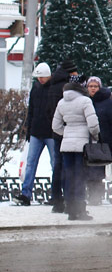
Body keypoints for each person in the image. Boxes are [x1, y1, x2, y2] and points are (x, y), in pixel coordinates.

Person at [51, 80, 100, 221]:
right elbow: (93, 124)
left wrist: (67, 133)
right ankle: (80, 209)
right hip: (82, 145)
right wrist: (95, 136)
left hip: (66, 145)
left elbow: (55, 126)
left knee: (69, 176)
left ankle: (70, 209)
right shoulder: (85, 101)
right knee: (80, 177)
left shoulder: (61, 102)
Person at [15, 63, 55, 206]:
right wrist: (29, 130)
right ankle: (26, 194)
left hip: (50, 133)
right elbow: (31, 110)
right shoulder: (36, 88)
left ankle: (56, 194)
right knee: (30, 163)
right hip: (37, 132)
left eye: (42, 77)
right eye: (38, 77)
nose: (40, 79)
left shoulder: (53, 88)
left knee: (54, 163)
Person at [42, 60, 78, 212]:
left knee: (58, 166)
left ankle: (57, 199)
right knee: (69, 167)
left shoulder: (53, 86)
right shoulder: (65, 89)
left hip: (57, 133)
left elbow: (49, 112)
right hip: (69, 133)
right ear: (70, 73)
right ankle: (70, 200)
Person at [84, 76, 112, 206]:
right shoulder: (84, 101)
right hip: (85, 141)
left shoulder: (107, 103)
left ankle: (96, 197)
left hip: (102, 142)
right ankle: (88, 195)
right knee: (86, 170)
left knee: (98, 171)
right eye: (90, 86)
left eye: (95, 86)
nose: (93, 88)